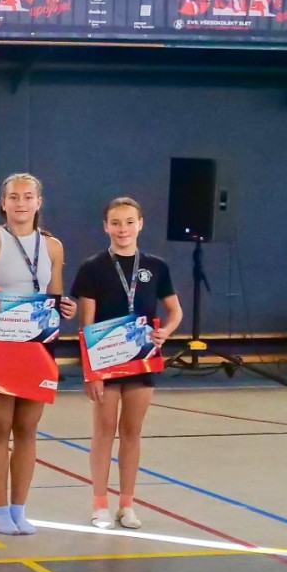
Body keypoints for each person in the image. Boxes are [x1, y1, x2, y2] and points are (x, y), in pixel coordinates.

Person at [0, 173, 77, 536]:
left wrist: (66, 308)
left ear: (38, 202)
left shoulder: (53, 246)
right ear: (3, 203)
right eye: (13, 197)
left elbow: (54, 296)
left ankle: (19, 508)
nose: (21, 203)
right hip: (0, 342)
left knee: (28, 429)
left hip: (38, 343)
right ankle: (0, 510)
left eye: (28, 197)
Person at [71, 197, 183, 530]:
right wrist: (91, 372)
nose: (123, 229)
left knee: (132, 432)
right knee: (104, 431)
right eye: (116, 223)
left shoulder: (156, 266)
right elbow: (86, 325)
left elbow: (175, 311)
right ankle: (100, 504)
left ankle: (127, 505)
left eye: (129, 222)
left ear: (140, 224)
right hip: (105, 362)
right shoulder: (92, 268)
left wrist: (166, 332)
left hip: (141, 360)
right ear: (106, 226)